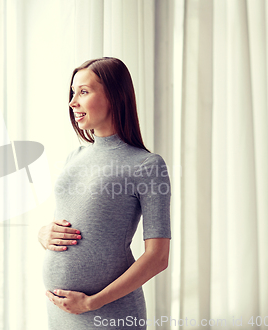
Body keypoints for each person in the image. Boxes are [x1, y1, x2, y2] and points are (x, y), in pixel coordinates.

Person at [38, 57, 171, 329]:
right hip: (61, 313)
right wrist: (44, 233)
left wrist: (92, 302)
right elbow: (77, 220)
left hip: (109, 314)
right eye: (73, 93)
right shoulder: (74, 157)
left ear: (113, 96)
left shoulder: (146, 165)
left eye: (83, 92)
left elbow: (157, 257)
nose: (73, 102)